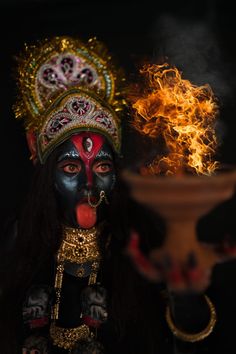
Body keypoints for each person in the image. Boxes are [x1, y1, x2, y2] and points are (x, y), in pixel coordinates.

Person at [0, 35, 219, 354]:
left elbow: (191, 334)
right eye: (72, 169)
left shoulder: (139, 237)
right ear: (49, 177)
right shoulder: (21, 235)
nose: (89, 183)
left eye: (102, 167)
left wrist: (183, 292)